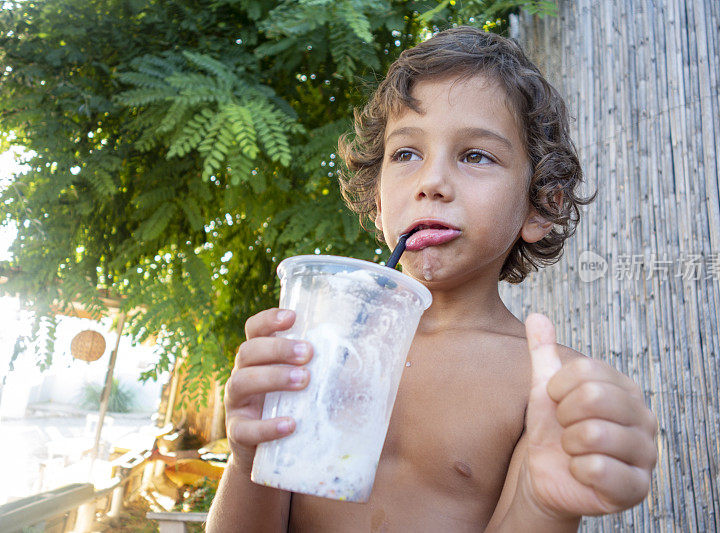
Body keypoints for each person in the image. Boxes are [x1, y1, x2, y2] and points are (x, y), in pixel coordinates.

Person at [206, 26, 658, 532]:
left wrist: (544, 505)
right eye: (406, 155)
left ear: (541, 205)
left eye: (475, 155)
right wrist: (247, 460)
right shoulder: (322, 346)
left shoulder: (545, 384)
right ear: (378, 205)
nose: (431, 183)